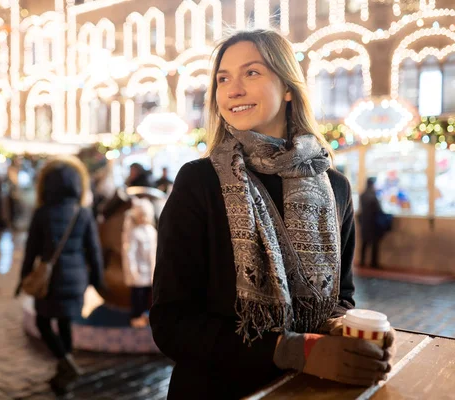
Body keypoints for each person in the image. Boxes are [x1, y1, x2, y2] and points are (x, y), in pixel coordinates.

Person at [150, 29, 397, 399]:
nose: (232, 89)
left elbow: (341, 296)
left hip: (307, 390)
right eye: (222, 78)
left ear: (287, 87)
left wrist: (348, 328)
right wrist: (292, 350)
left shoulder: (335, 187)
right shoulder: (198, 182)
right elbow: (171, 323)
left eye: (251, 72)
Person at [17, 155, 105, 394]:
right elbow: (94, 251)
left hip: (50, 282)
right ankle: (64, 371)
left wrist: (22, 278)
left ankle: (65, 364)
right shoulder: (83, 212)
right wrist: (98, 282)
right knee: (65, 323)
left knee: (43, 322)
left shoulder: (42, 213)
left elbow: (31, 251)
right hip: (76, 281)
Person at [121, 198, 157, 327]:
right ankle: (136, 316)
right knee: (138, 297)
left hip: (150, 271)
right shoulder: (135, 233)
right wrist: (132, 269)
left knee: (149, 296)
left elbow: (154, 252)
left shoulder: (152, 231)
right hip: (139, 273)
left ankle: (145, 316)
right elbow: (131, 253)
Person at [359, 177, 390, 268]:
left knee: (364, 243)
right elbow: (379, 210)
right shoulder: (374, 196)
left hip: (365, 222)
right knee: (374, 244)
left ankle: (362, 262)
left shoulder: (363, 195)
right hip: (373, 223)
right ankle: (373, 263)